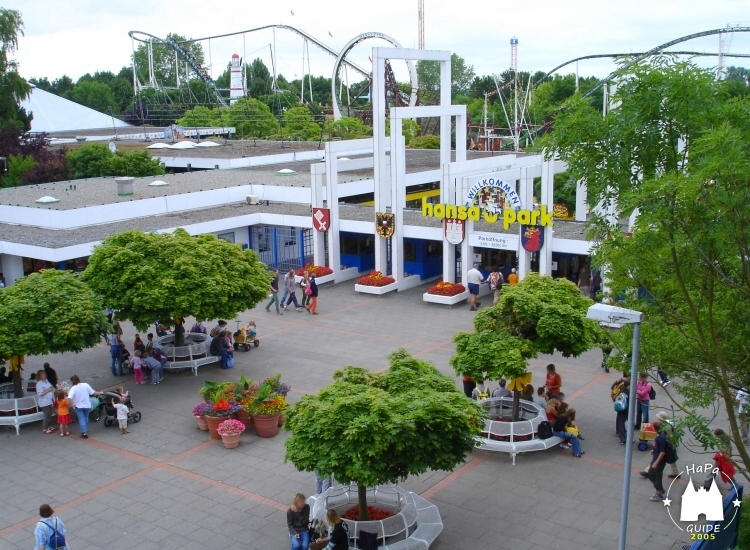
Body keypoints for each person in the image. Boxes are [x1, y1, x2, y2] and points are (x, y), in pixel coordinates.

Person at [640, 411, 679, 479]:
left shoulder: (667, 427)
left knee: (664, 459)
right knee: (671, 460)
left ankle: (648, 472)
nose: (657, 419)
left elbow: (668, 437)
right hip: (668, 445)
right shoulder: (667, 424)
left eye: (659, 418)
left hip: (667, 446)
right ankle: (648, 471)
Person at [647, 419, 670, 502]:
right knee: (651, 474)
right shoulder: (660, 436)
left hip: (658, 462)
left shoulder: (660, 438)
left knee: (656, 476)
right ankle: (659, 489)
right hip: (656, 459)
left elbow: (662, 451)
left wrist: (656, 463)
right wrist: (654, 450)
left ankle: (659, 493)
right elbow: (659, 448)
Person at [612, 372, 631, 445]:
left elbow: (612, 387)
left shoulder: (620, 382)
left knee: (620, 420)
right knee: (622, 422)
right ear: (627, 386)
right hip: (625, 408)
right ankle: (623, 438)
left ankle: (620, 433)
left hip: (620, 407)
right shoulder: (627, 392)